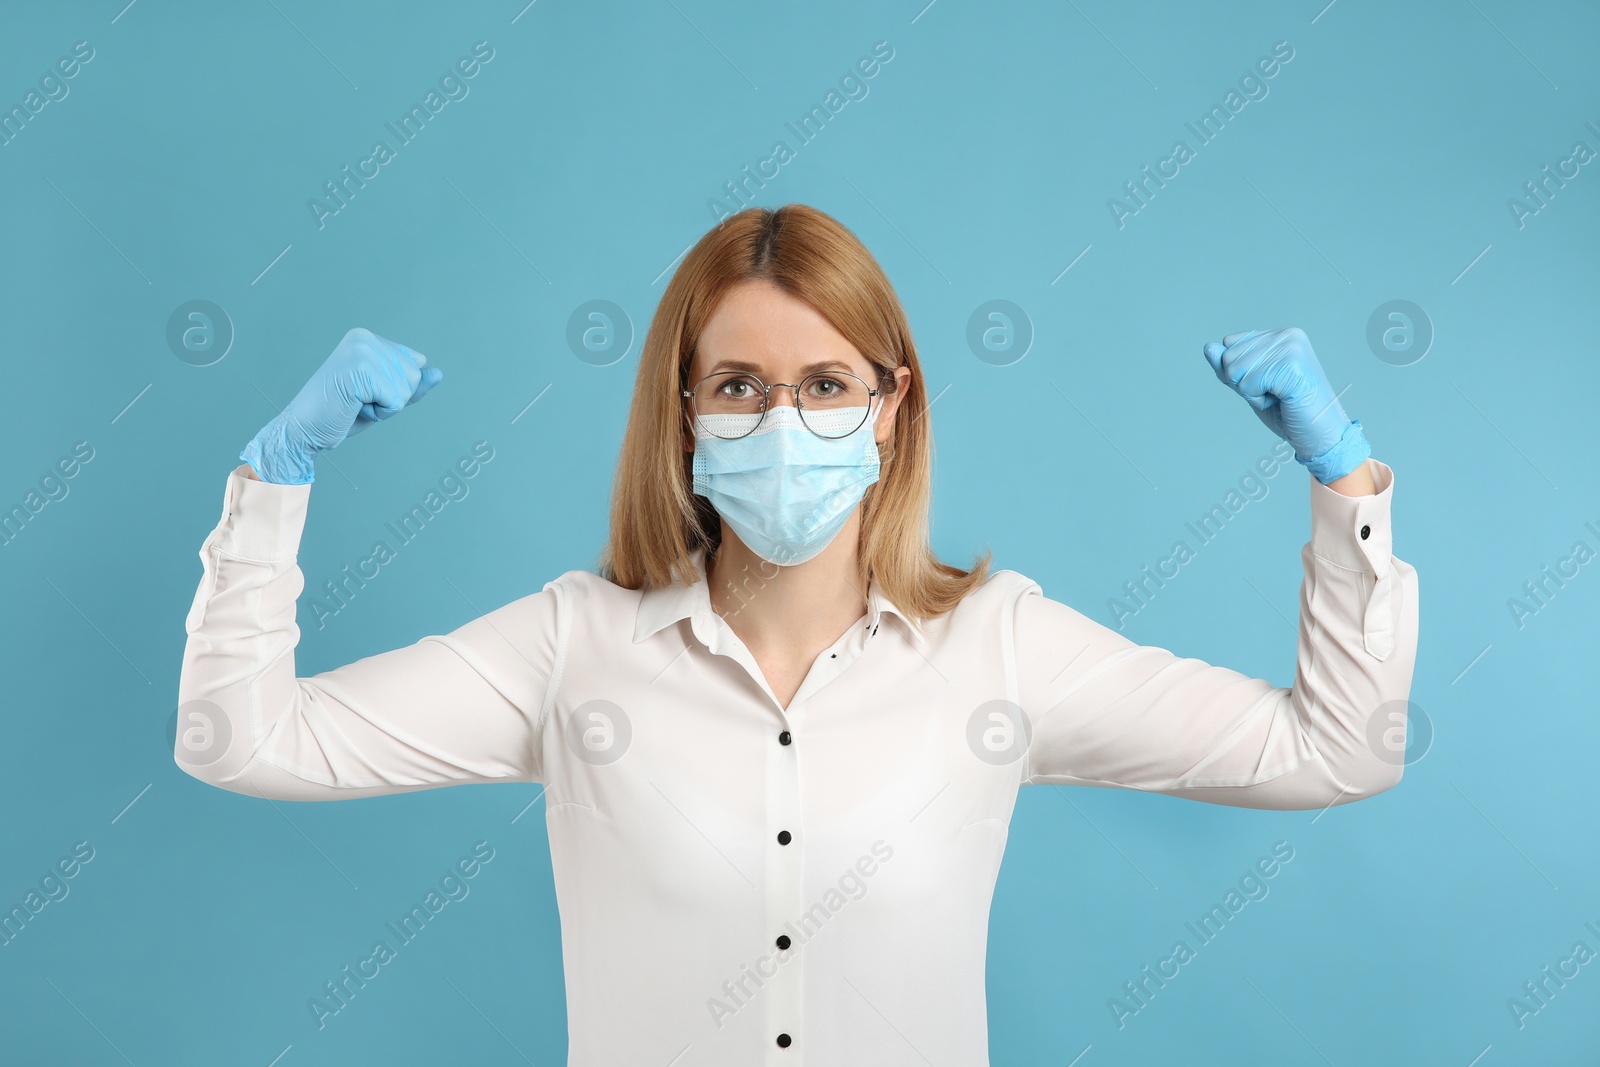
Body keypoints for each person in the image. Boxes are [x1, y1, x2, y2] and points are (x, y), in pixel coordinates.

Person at [176, 203, 1418, 1064]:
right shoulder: (573, 648)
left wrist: (1341, 475)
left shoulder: (998, 647)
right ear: (684, 410)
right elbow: (244, 740)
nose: (783, 420)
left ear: (891, 404)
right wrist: (278, 473)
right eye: (738, 386)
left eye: (825, 383)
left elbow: (1335, 752)